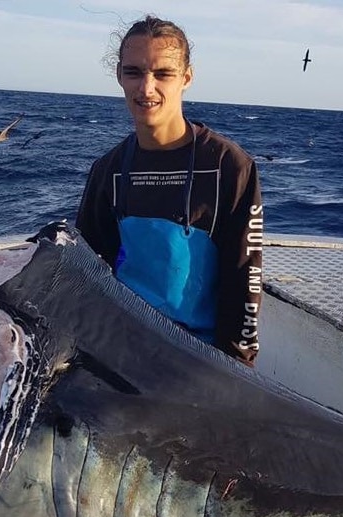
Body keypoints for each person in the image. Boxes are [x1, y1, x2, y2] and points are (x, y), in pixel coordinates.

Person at [76, 15, 263, 367]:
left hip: (201, 364)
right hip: (123, 357)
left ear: (186, 78)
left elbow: (245, 282)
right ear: (119, 76)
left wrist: (234, 373)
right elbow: (87, 275)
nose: (146, 88)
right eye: (134, 72)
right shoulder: (108, 170)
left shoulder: (228, 166)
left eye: (163, 74)